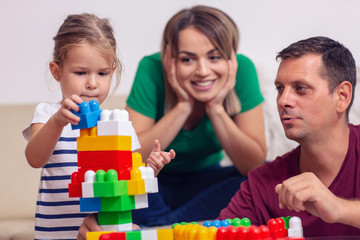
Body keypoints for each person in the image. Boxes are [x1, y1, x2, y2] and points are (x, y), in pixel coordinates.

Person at [23, 13, 174, 240]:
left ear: (112, 71)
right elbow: (35, 159)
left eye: (102, 73)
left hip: (101, 231)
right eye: (81, 72)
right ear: (57, 71)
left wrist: (151, 169)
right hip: (53, 235)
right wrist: (57, 122)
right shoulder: (48, 114)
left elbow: (126, 182)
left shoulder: (118, 122)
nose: (92, 83)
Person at [124, 5, 267, 227]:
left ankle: (159, 226)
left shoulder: (243, 70)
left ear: (230, 56)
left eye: (214, 57)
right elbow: (129, 157)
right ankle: (180, 226)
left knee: (263, 178)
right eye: (187, 59)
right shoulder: (151, 68)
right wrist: (183, 106)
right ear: (170, 58)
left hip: (204, 184)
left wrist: (216, 108)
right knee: (127, 186)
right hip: (151, 183)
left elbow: (253, 165)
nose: (202, 71)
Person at [218, 36, 360, 237]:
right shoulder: (261, 184)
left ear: (342, 96)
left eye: (301, 88)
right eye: (280, 89)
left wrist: (339, 209)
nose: (283, 100)